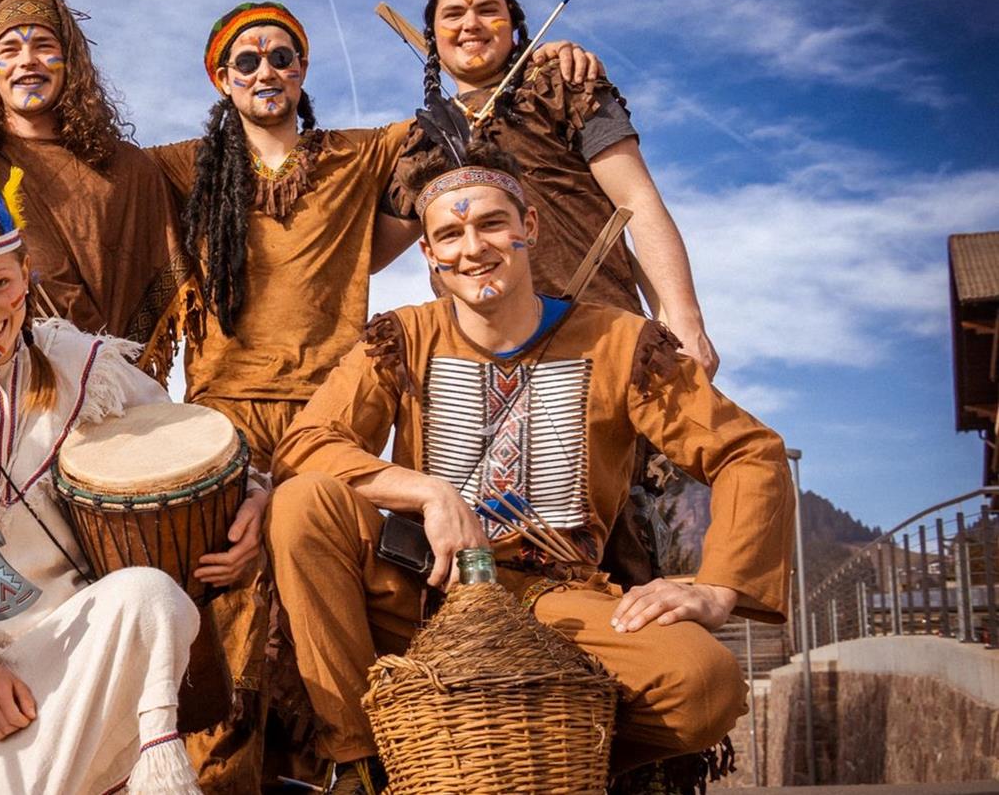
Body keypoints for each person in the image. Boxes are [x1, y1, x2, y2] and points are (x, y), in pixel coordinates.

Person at [142, 1, 600, 792]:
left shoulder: (358, 154)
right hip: (217, 419)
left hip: (328, 415)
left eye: (281, 55)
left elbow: (456, 113)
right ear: (220, 78)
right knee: (230, 605)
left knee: (319, 597)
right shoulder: (180, 166)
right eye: (245, 61)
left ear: (303, 68)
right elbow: (82, 173)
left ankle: (349, 768)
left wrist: (552, 61)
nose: (265, 72)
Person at [268, 143, 793, 793]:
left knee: (703, 686)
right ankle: (359, 766)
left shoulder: (620, 342)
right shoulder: (402, 337)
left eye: (491, 224)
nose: (472, 247)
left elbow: (748, 451)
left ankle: (537, 762)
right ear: (429, 255)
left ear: (529, 229)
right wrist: (426, 491)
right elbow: (305, 445)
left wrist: (719, 586)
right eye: (450, 234)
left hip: (556, 603)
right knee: (303, 502)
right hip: (420, 593)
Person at [0, 166, 240, 793]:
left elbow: (183, 437)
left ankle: (161, 773)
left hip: (84, 635)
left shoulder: (79, 361)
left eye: (1, 284)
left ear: (26, 276)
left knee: (152, 596)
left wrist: (257, 496)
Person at [378, 0, 717, 378]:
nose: (470, 24)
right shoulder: (423, 138)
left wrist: (684, 320)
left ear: (515, 25)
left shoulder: (561, 85)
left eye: (487, 10)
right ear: (433, 36)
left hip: (598, 341)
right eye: (453, 14)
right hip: (476, 365)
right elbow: (369, 255)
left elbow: (638, 200)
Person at [0, 0, 188, 372]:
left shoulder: (126, 168)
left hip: (112, 383)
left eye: (44, 47)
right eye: (9, 50)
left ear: (70, 61)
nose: (27, 61)